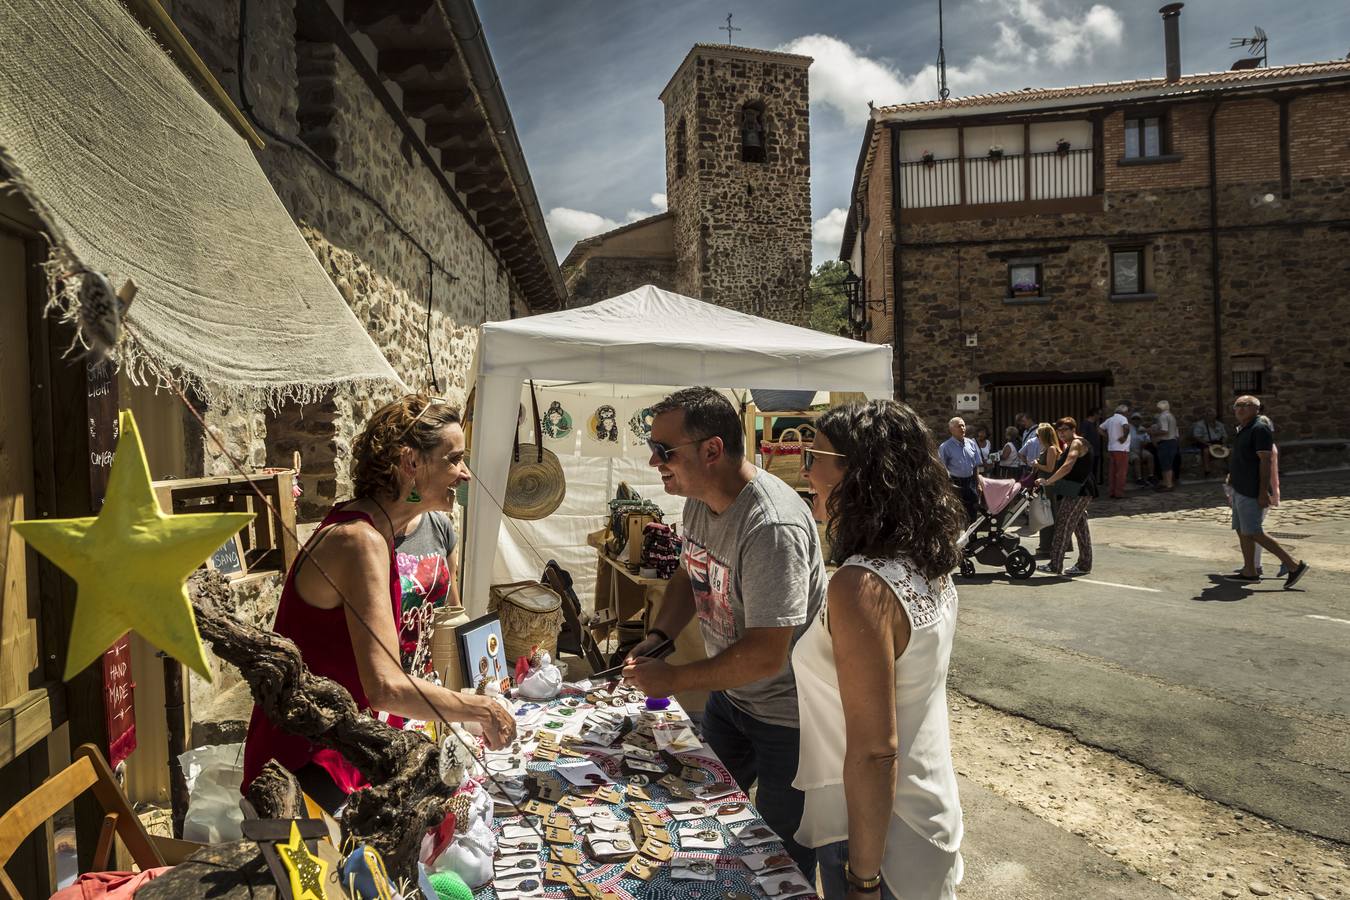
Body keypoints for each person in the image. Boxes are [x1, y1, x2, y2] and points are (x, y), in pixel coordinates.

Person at [243, 396, 515, 812]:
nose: (464, 474)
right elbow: (385, 687)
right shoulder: (359, 540)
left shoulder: (374, 531)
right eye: (454, 459)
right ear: (411, 463)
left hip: (342, 747)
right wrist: (478, 709)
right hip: (303, 767)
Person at [623, 387, 826, 876]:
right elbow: (687, 575)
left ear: (712, 450)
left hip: (789, 721)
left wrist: (673, 680)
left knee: (781, 861)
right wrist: (659, 639)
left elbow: (765, 655)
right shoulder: (697, 500)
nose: (654, 462)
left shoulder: (770, 526)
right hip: (731, 702)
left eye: (664, 451)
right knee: (701, 823)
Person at [794, 400, 964, 900]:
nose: (806, 471)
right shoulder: (927, 560)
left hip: (876, 832)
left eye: (814, 456)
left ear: (858, 473)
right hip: (926, 804)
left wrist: (862, 879)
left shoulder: (861, 585)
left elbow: (875, 751)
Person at [1224, 397, 1308, 588]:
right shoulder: (1243, 429)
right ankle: (1250, 571)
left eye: (1244, 406)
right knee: (1242, 530)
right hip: (1239, 487)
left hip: (1251, 490)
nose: (1239, 409)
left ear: (1256, 408)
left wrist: (1262, 491)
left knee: (1254, 531)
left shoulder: (1259, 428)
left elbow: (1265, 460)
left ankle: (1294, 565)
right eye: (1237, 406)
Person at [1037, 417, 1096, 576]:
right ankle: (1084, 564)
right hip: (1075, 490)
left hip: (1078, 491)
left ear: (1073, 429)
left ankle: (1055, 564)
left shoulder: (1077, 443)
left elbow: (1068, 465)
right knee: (1080, 528)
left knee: (1063, 525)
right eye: (1059, 430)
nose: (1061, 433)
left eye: (1065, 429)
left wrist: (1048, 481)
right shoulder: (1070, 444)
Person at [938, 417, 983, 526]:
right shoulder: (945, 447)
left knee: (973, 508)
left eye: (963, 425)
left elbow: (975, 465)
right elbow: (941, 469)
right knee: (956, 512)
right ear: (951, 430)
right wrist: (947, 487)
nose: (962, 428)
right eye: (959, 426)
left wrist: (978, 484)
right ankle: (957, 535)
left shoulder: (971, 444)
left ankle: (971, 536)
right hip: (955, 483)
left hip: (970, 482)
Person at [1100, 404, 1131, 499]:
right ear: (1124, 412)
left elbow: (1099, 428)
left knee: (1112, 471)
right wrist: (1124, 437)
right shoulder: (1122, 418)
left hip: (1112, 448)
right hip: (1121, 449)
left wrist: (1108, 436)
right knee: (1121, 472)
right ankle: (1119, 493)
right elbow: (1126, 427)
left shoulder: (1110, 420)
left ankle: (1112, 492)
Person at [1151, 401, 1180, 491]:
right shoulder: (1171, 416)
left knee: (1166, 464)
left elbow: (1164, 430)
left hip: (1166, 442)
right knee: (1165, 464)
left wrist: (1153, 433)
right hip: (1172, 442)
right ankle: (1165, 482)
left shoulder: (1163, 416)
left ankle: (1169, 484)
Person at [1191, 409, 1229, 478]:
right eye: (1208, 415)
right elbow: (1197, 437)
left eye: (1212, 415)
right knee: (1206, 451)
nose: (1210, 417)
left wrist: (1224, 443)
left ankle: (1228, 469)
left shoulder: (1219, 424)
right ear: (1205, 416)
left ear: (1215, 416)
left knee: (1229, 451)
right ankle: (1207, 471)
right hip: (1204, 442)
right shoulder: (1200, 424)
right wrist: (1206, 444)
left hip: (1217, 441)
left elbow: (1225, 436)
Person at [1128, 413, 1155, 485]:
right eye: (1134, 419)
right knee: (1136, 459)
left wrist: (1145, 442)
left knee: (1150, 456)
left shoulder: (1142, 429)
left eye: (1138, 419)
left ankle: (1151, 476)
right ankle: (1139, 479)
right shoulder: (1128, 428)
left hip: (1141, 448)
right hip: (1130, 450)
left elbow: (1148, 440)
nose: (1136, 421)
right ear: (1132, 420)